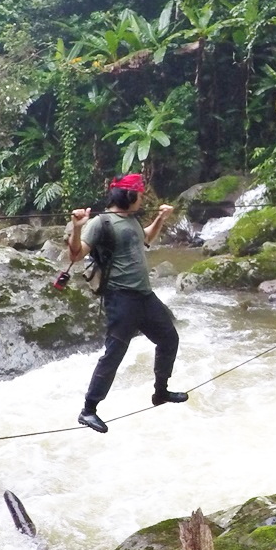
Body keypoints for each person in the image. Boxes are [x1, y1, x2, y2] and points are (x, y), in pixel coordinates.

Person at [68, 173, 186, 433]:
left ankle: (161, 392)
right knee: (115, 353)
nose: (142, 199)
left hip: (144, 295)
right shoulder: (100, 223)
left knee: (169, 339)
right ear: (129, 195)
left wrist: (160, 219)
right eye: (140, 195)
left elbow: (145, 238)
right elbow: (76, 255)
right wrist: (77, 227)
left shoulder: (131, 220)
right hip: (121, 298)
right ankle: (88, 410)